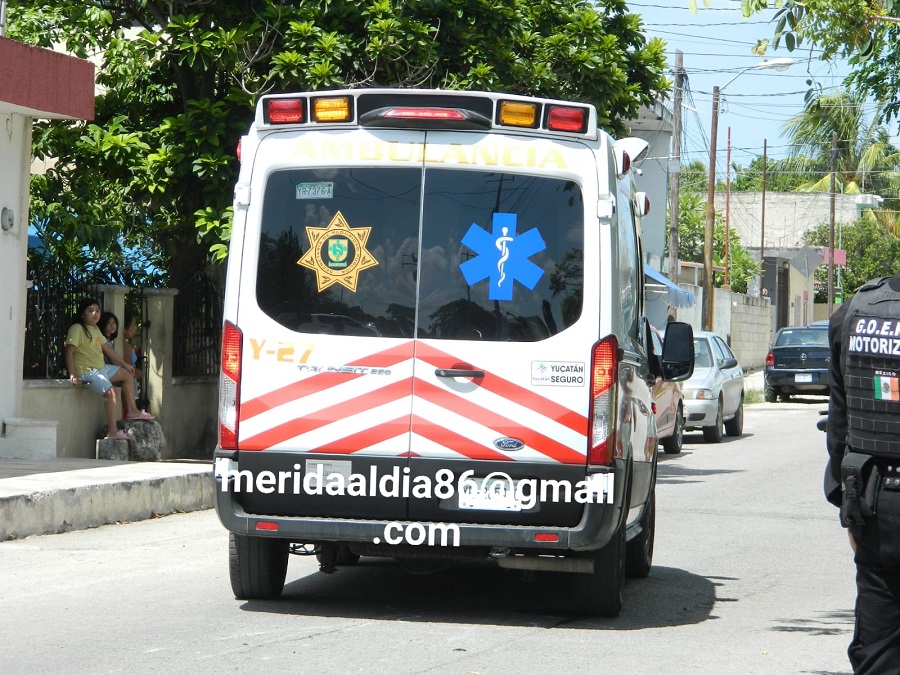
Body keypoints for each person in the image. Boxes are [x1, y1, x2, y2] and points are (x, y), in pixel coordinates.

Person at [826, 272, 900, 673]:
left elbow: (841, 430)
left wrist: (847, 507)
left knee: (878, 651)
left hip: (875, 503)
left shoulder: (854, 313)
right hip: (872, 503)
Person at [64, 298, 153, 440]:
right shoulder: (77, 329)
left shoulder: (95, 329)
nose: (95, 313)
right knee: (111, 393)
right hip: (88, 372)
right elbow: (69, 352)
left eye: (97, 311)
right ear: (82, 314)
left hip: (102, 369)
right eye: (90, 310)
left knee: (127, 374)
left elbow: (108, 350)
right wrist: (73, 374)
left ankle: (131, 411)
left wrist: (125, 365)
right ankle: (112, 432)